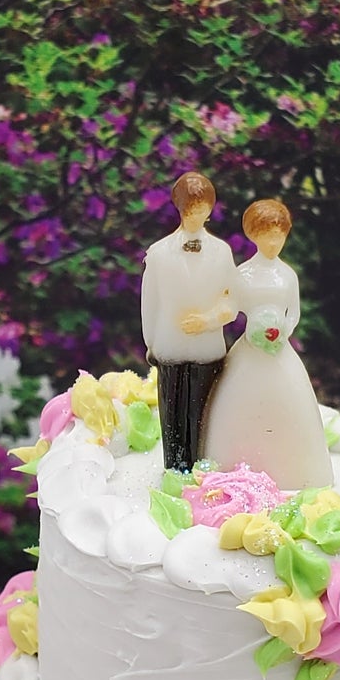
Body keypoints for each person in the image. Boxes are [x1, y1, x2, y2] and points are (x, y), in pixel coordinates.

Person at [199, 198, 333, 490]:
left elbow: (293, 312)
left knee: (291, 404)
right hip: (249, 351)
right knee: (236, 403)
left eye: (279, 236)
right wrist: (207, 320)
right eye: (267, 235)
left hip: (280, 350)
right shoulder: (241, 275)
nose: (274, 242)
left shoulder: (287, 275)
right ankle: (229, 466)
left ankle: (298, 474)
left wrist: (283, 329)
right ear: (253, 235)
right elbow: (230, 308)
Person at [140, 169, 236, 470]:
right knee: (171, 412)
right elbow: (150, 302)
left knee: (203, 412)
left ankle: (200, 468)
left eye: (203, 209)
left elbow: (232, 300)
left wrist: (209, 320)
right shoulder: (159, 254)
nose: (197, 216)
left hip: (207, 348)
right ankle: (173, 468)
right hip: (169, 345)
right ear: (180, 209)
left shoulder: (222, 252)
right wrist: (151, 343)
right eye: (191, 209)